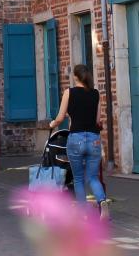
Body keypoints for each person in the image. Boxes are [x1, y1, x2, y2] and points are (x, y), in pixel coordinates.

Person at [49, 64, 109, 219]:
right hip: (94, 139)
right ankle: (102, 202)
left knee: (78, 178)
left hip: (76, 139)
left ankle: (83, 213)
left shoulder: (69, 93)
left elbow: (60, 117)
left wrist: (52, 124)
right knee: (93, 177)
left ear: (75, 76)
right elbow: (98, 120)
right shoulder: (96, 94)